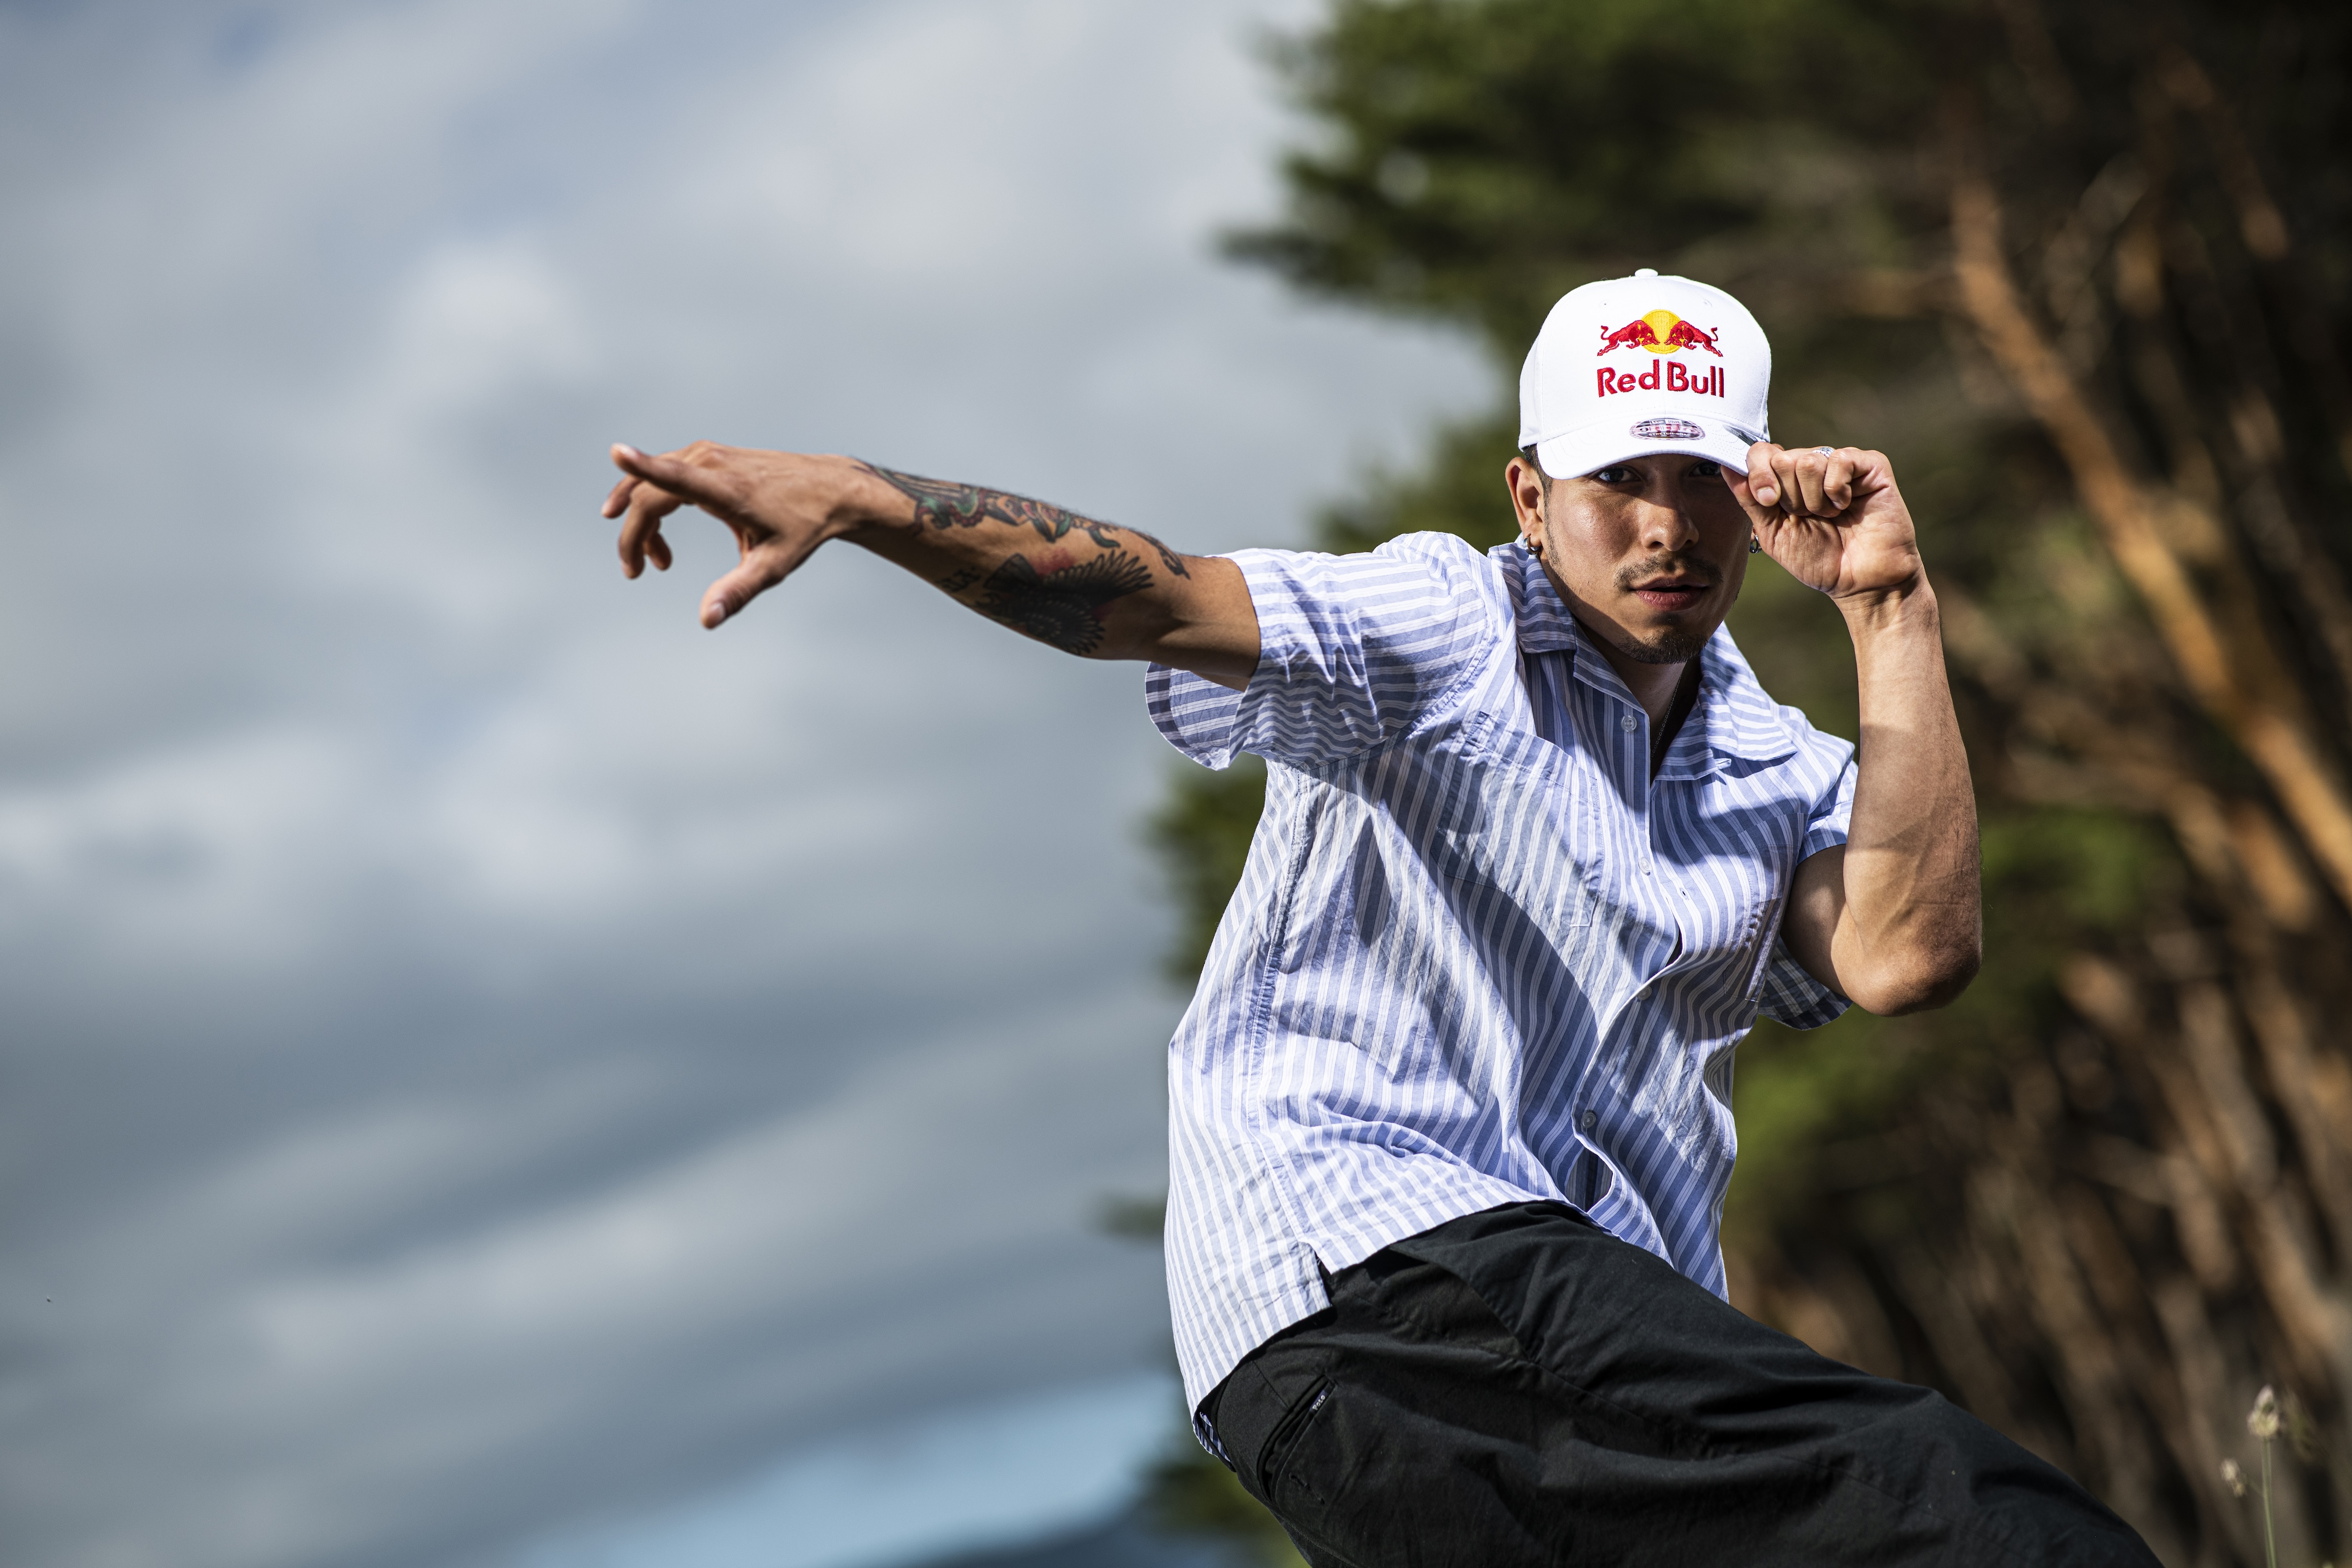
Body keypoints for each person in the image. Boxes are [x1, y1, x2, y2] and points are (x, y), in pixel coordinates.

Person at [599, 271, 2159, 1565]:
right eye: (1619, 479)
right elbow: (1146, 595)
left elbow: (1903, 955)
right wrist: (871, 503)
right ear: (1529, 493)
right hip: (1377, 1266)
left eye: (1702, 480)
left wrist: (1890, 607)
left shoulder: (1779, 769)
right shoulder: (1439, 626)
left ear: (1759, 497)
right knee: (1968, 1522)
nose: (1663, 526)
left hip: (1464, 1386)